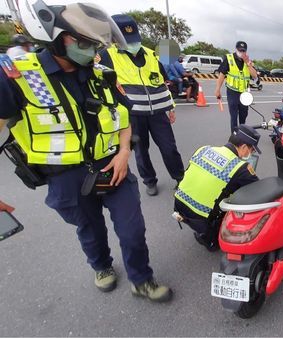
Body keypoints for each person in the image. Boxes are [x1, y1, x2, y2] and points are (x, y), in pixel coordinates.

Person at [0, 1, 172, 302]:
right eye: (85, 43)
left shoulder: (100, 73)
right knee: (90, 230)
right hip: (66, 177)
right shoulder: (19, 77)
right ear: (56, 38)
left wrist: (122, 154)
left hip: (112, 167)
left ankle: (141, 279)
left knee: (132, 229)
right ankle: (102, 267)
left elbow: (124, 118)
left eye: (95, 45)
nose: (93, 51)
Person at [100, 15, 185, 197]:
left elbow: (162, 82)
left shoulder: (152, 55)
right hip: (133, 116)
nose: (133, 44)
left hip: (158, 113)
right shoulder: (107, 56)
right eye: (127, 40)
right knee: (141, 151)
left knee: (169, 148)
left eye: (134, 40)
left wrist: (170, 107)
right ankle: (150, 181)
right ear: (116, 38)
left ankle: (180, 178)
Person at [173, 125, 261, 251]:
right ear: (243, 147)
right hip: (200, 217)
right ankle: (208, 238)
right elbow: (258, 189)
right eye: (251, 150)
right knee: (236, 201)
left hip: (178, 204)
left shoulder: (204, 149)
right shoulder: (240, 167)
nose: (250, 153)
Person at [215, 41, 258, 133]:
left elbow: (254, 76)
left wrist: (247, 63)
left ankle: (242, 134)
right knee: (234, 116)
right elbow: (222, 75)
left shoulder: (248, 61)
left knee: (243, 116)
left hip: (244, 93)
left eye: (243, 51)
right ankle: (234, 136)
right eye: (240, 50)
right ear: (236, 49)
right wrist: (217, 89)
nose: (241, 52)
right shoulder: (229, 59)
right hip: (232, 92)